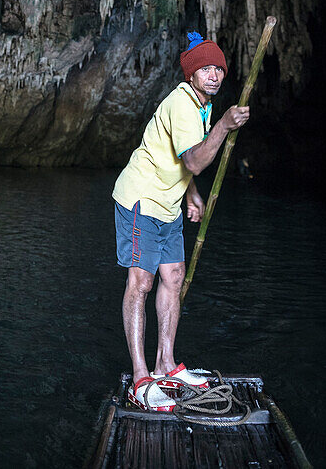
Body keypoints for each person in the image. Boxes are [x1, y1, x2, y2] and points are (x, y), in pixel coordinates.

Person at [112, 30, 250, 412]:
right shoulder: (184, 104)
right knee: (141, 282)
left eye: (218, 68)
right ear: (191, 74)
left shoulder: (200, 105)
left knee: (173, 277)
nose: (214, 75)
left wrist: (191, 194)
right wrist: (222, 126)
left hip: (168, 204)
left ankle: (166, 365)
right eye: (205, 68)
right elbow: (192, 161)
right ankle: (140, 378)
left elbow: (175, 158)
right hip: (140, 200)